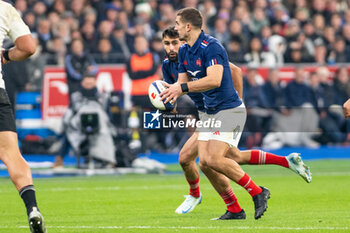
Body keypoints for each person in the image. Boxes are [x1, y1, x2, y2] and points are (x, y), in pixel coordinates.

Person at [161, 8, 311, 220]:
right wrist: (166, 95)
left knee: (210, 158)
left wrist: (238, 103)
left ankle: (257, 192)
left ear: (188, 26)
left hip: (228, 109)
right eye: (167, 41)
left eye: (177, 23)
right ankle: (235, 208)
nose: (175, 29)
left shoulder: (211, 47)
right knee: (212, 161)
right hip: (209, 113)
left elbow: (215, 79)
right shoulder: (184, 52)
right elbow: (181, 83)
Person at [0, 1, 47, 232]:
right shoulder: (4, 8)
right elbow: (28, 47)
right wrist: (6, 55)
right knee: (11, 154)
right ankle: (32, 208)